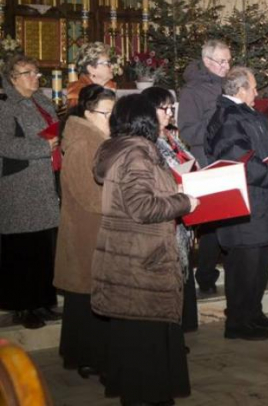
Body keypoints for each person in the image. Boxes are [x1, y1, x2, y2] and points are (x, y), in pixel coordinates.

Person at [92, 94, 199, 406]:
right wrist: (185, 201)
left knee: (137, 341)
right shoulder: (137, 155)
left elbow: (138, 196)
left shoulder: (122, 149)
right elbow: (141, 206)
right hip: (142, 261)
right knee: (146, 344)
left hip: (130, 257)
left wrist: (173, 191)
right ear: (145, 120)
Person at [205, 67, 268, 341]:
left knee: (259, 265)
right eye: (253, 87)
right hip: (244, 206)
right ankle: (238, 323)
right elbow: (243, 166)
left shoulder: (247, 114)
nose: (257, 92)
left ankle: (253, 313)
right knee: (244, 267)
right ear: (240, 90)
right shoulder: (229, 119)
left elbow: (264, 150)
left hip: (260, 203)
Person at [54, 85, 115, 378]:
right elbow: (87, 195)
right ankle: (85, 356)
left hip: (97, 228)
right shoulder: (82, 143)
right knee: (85, 297)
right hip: (85, 230)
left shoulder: (99, 137)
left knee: (91, 296)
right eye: (107, 113)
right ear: (88, 113)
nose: (111, 119)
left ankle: (87, 352)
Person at [0, 55, 61, 329]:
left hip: (44, 181)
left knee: (43, 245)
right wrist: (42, 148)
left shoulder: (42, 101)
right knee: (22, 248)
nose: (35, 77)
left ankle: (44, 301)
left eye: (37, 72)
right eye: (28, 73)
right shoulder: (5, 106)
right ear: (12, 78)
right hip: (20, 185)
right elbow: (4, 144)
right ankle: (23, 306)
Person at [142, 86, 200, 333]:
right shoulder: (147, 142)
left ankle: (180, 327)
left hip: (182, 212)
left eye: (170, 108)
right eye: (163, 108)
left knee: (182, 272)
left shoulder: (170, 136)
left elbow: (186, 161)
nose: (169, 113)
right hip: (166, 216)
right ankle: (169, 331)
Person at [179, 39, 232, 296]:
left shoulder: (228, 85)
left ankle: (232, 271)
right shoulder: (192, 91)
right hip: (208, 160)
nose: (226, 66)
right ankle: (206, 275)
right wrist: (218, 128)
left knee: (233, 219)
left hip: (231, 158)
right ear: (207, 61)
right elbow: (188, 131)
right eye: (222, 61)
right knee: (211, 224)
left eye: (229, 61)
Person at [66, 42, 117, 109]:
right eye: (107, 63)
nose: (112, 67)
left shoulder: (109, 87)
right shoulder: (78, 93)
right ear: (91, 69)